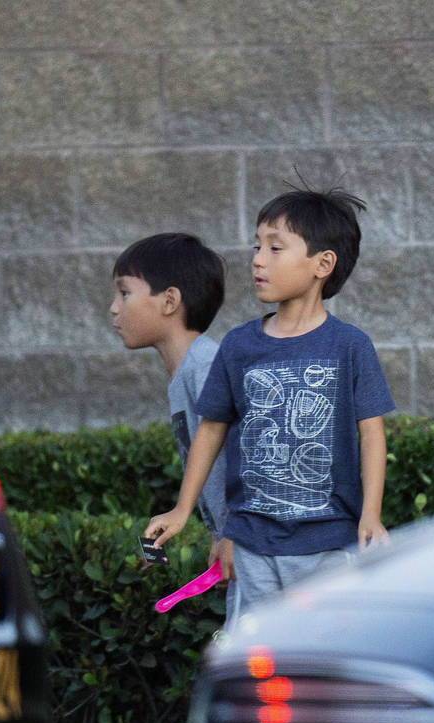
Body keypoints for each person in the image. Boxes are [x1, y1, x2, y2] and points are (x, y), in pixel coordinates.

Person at [144, 184, 394, 613]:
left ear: (323, 264)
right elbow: (211, 429)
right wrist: (181, 509)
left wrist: (370, 515)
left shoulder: (350, 346)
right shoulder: (240, 345)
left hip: (328, 544)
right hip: (251, 543)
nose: (258, 259)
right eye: (256, 246)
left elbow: (371, 434)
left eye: (275, 248)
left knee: (317, 658)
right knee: (259, 660)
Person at [109, 232, 239, 622]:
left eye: (125, 293)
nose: (114, 309)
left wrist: (238, 533)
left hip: (258, 549)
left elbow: (252, 449)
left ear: (169, 301)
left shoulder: (206, 367)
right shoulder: (188, 372)